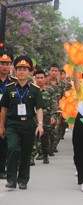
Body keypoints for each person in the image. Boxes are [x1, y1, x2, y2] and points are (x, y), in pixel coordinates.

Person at [0, 56, 44, 190]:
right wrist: (1, 126)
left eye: (25, 69)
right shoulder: (9, 88)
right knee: (13, 149)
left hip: (28, 124)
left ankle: (23, 179)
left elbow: (39, 108)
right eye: (19, 69)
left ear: (30, 72)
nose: (22, 72)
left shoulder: (35, 90)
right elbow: (4, 109)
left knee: (26, 152)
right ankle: (11, 179)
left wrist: (40, 124)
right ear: (15, 71)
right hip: (12, 124)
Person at [45, 64, 72, 155]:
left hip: (59, 110)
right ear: (49, 71)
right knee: (47, 130)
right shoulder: (45, 82)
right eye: (52, 70)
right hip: (47, 109)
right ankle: (46, 149)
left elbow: (68, 95)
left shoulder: (63, 84)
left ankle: (52, 148)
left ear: (58, 72)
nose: (54, 72)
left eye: (56, 71)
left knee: (56, 130)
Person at [0, 51, 15, 179]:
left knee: (4, 144)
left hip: (7, 116)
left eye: (7, 64)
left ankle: (2, 169)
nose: (5, 66)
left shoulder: (14, 82)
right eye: (2, 63)